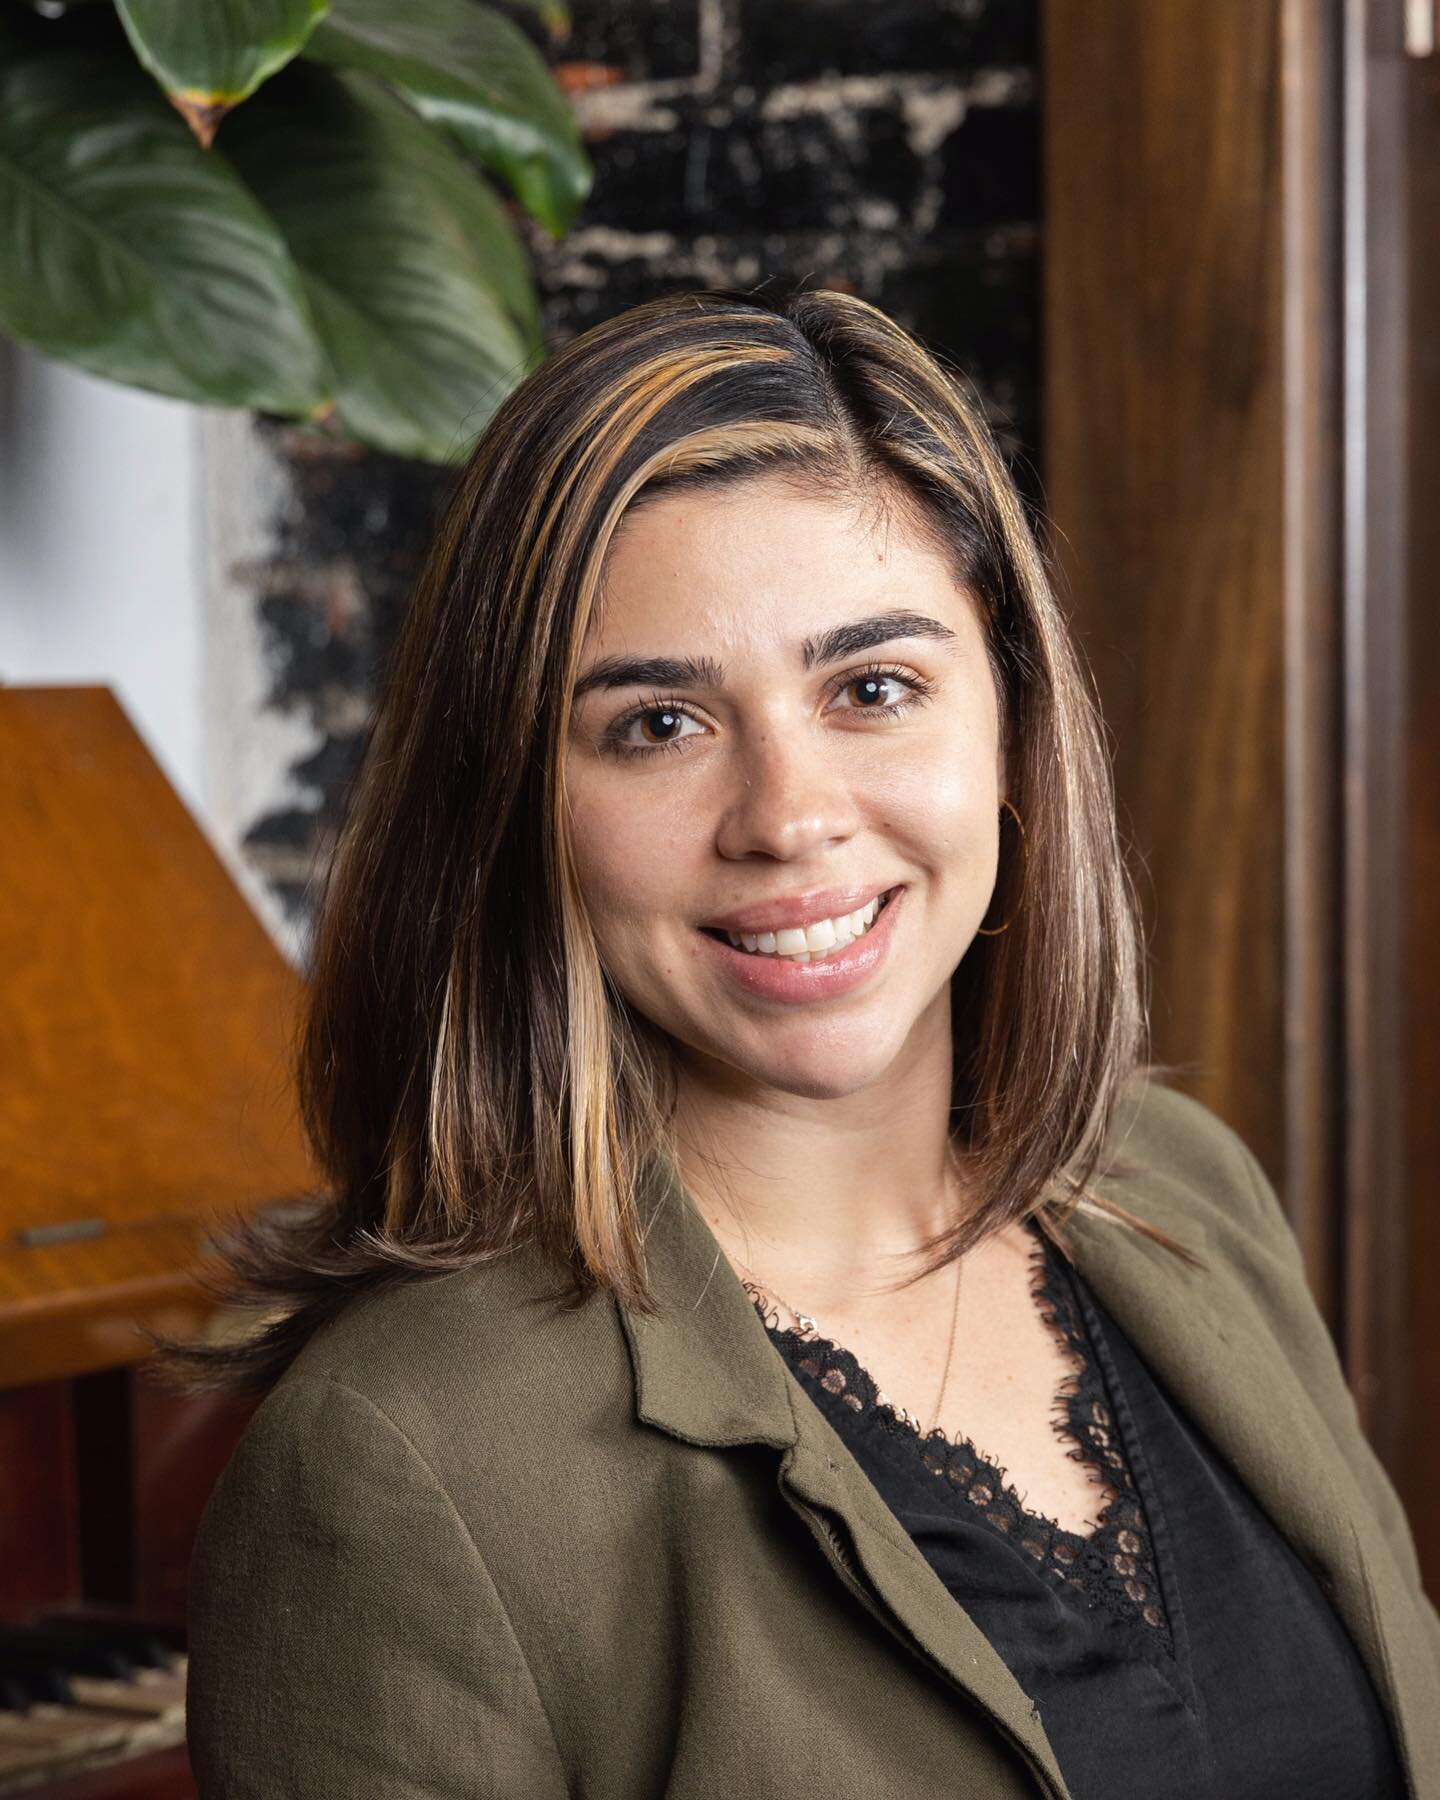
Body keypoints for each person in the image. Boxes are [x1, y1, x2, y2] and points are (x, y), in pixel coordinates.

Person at [171, 288, 1439, 1798]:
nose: (790, 814)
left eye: (874, 688)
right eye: (656, 725)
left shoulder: (1183, 1193)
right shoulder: (398, 1459)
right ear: (514, 808)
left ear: (1013, 722)